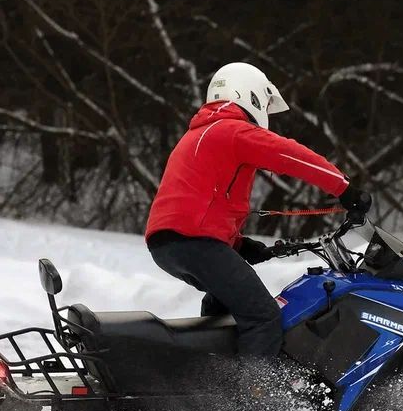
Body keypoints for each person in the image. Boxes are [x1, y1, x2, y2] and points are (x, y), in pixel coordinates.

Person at [145, 62, 372, 358]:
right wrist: (344, 188)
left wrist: (238, 245)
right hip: (195, 242)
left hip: (167, 244)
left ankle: (211, 377)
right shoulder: (232, 130)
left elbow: (197, 201)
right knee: (263, 318)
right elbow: (290, 155)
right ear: (250, 95)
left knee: (223, 307)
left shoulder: (198, 134)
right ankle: (256, 388)